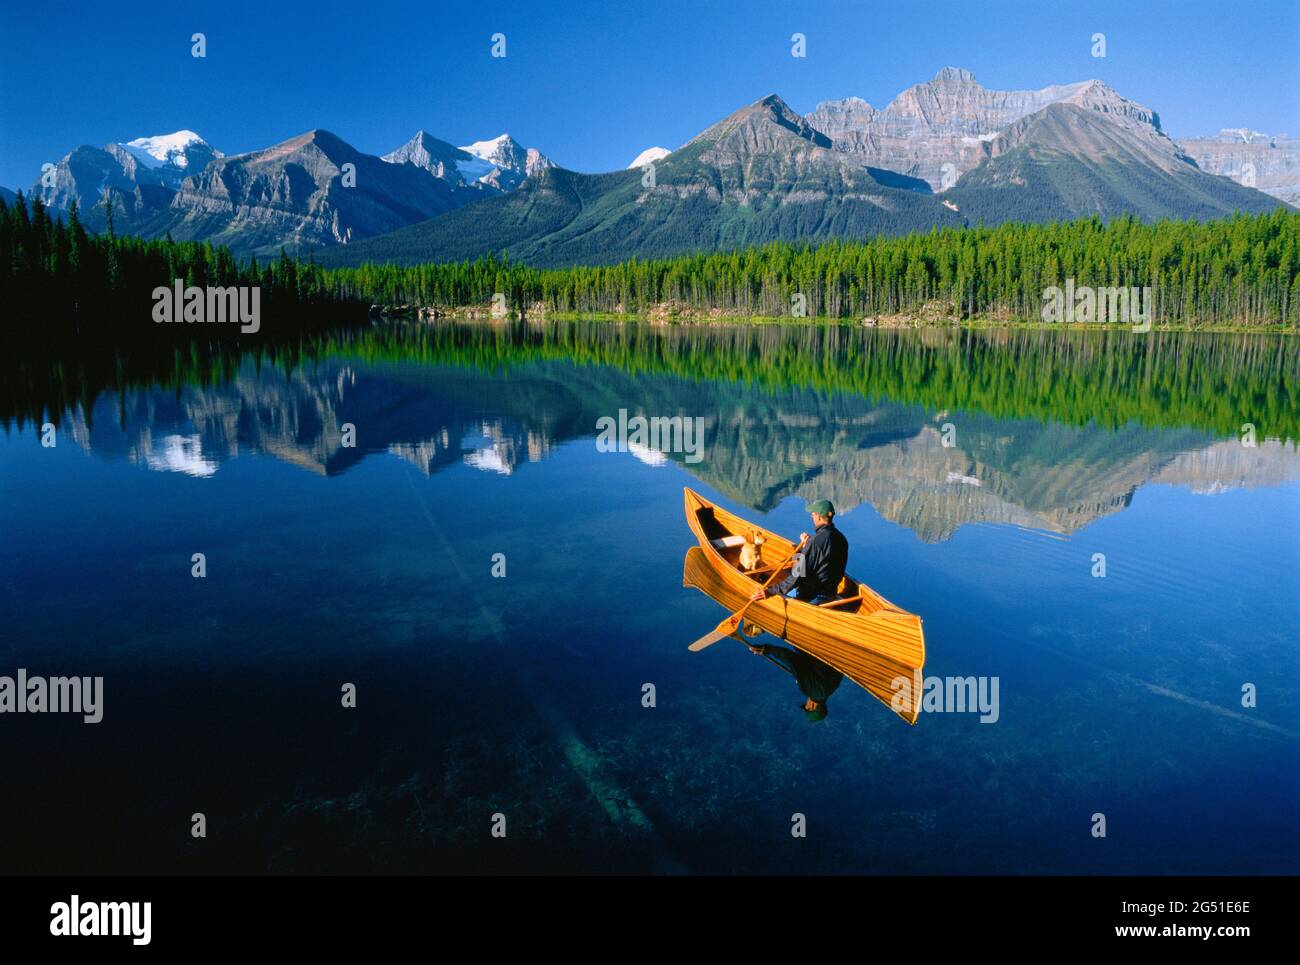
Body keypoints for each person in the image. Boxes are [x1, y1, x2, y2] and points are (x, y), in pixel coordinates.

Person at [749, 498, 847, 607]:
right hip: (831, 592)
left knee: (784, 590)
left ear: (819, 517)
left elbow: (797, 574)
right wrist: (806, 547)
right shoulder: (842, 539)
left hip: (812, 596)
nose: (812, 517)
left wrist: (770, 591)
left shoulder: (814, 542)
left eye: (813, 514)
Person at [747, 641, 842, 722]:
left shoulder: (831, 689)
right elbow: (791, 659)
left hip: (832, 648)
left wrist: (801, 678)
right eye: (806, 706)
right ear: (811, 707)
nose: (806, 702)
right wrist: (766, 649)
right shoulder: (809, 690)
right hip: (813, 644)